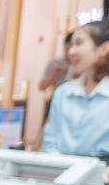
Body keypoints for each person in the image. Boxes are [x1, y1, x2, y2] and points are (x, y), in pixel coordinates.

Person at [40, 20, 109, 158]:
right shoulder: (62, 93)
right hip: (61, 169)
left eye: (79, 43)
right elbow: (50, 140)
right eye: (71, 45)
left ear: (103, 49)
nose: (71, 51)